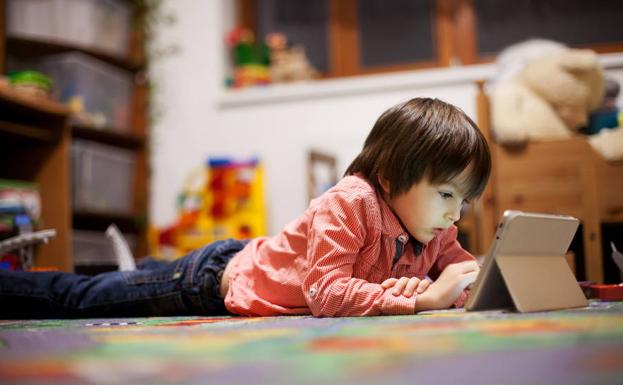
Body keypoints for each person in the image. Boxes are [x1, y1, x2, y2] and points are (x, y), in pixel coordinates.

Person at [0, 97, 491, 319]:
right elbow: (326, 294)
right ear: (390, 178)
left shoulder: (435, 227)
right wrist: (420, 299)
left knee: (135, 277)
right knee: (80, 298)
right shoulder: (351, 201)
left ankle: (140, 269)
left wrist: (470, 281)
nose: (456, 214)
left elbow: (464, 272)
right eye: (447, 194)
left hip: (244, 267)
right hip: (212, 282)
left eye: (464, 201)